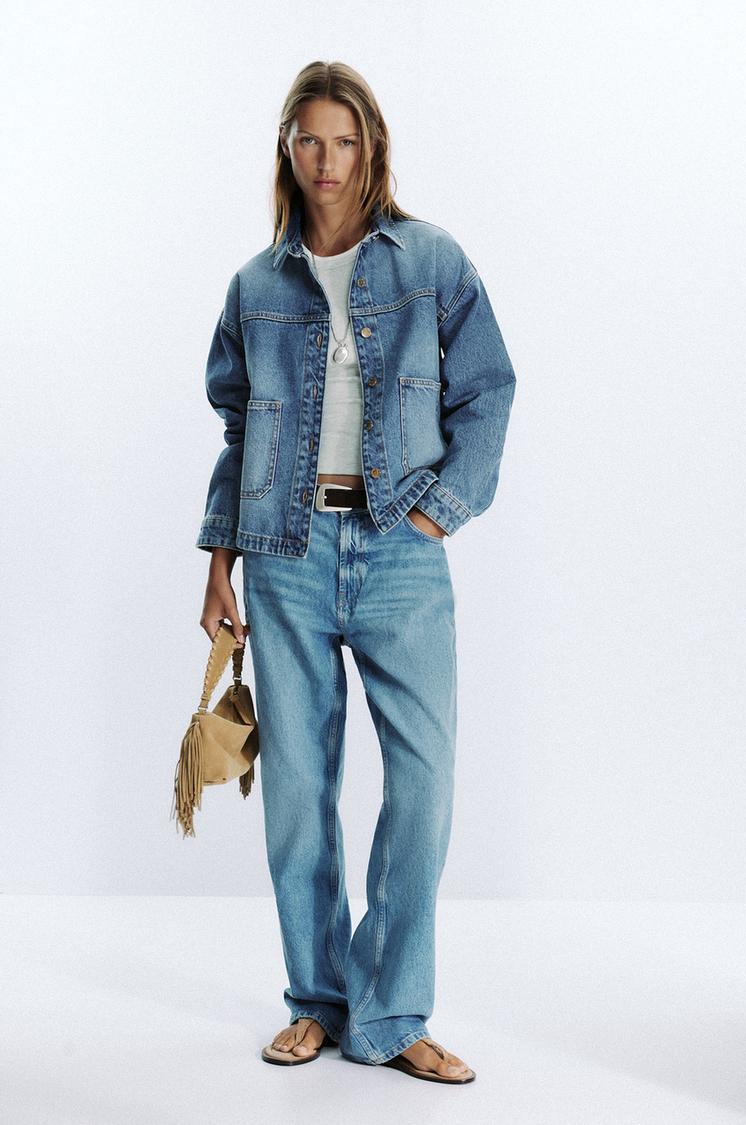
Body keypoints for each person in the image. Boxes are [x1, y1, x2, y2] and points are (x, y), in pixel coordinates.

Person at [196, 61, 516, 1084]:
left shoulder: (432, 261)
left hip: (400, 552)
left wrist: (439, 510)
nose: (326, 160)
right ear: (287, 149)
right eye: (308, 139)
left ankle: (393, 1011)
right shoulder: (256, 286)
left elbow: (490, 389)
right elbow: (238, 430)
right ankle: (317, 1002)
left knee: (423, 787)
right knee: (297, 793)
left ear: (370, 147)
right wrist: (219, 564)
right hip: (282, 554)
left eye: (343, 140)